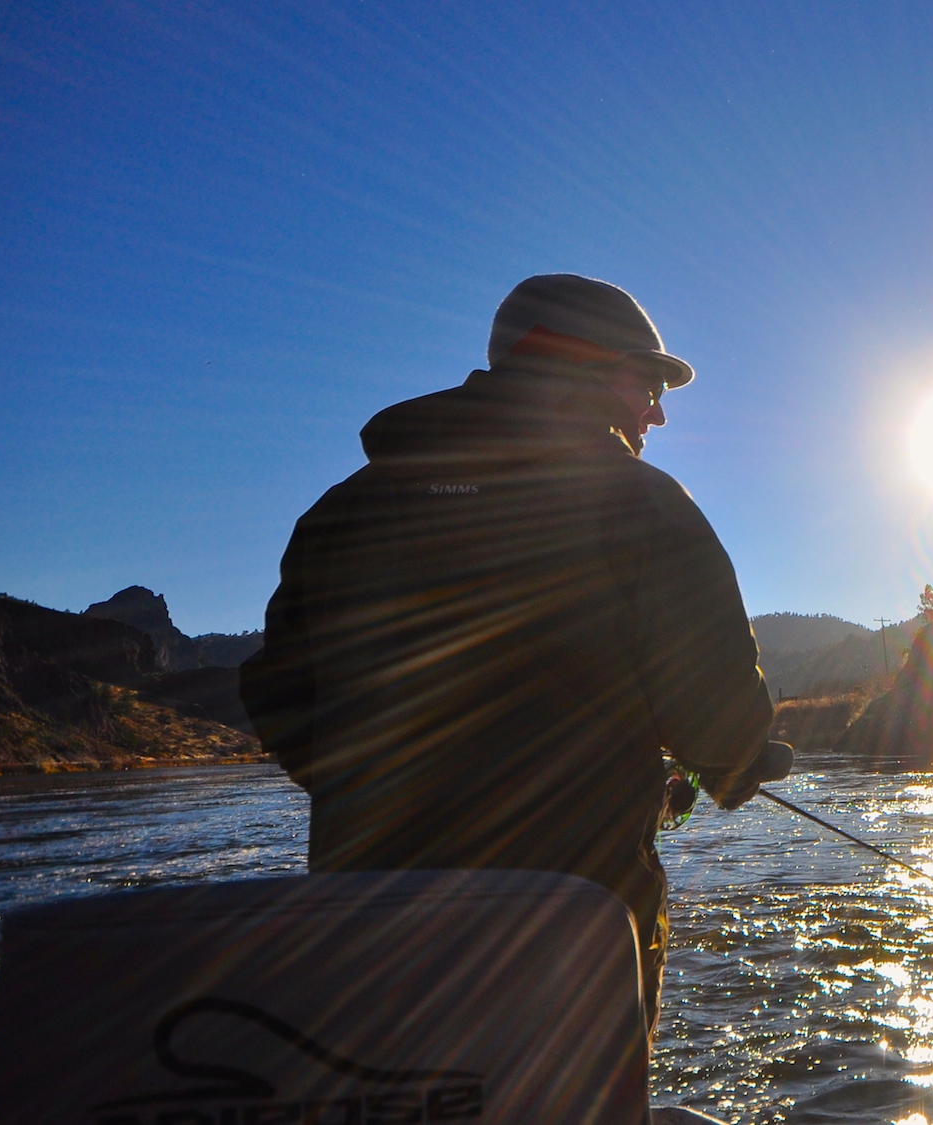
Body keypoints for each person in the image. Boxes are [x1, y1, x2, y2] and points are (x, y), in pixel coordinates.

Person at [240, 274, 788, 1028]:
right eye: (647, 381)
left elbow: (279, 697)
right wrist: (736, 765)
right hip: (573, 933)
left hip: (367, 932)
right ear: (578, 364)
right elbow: (720, 721)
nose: (657, 410)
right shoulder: (644, 504)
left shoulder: (340, 513)